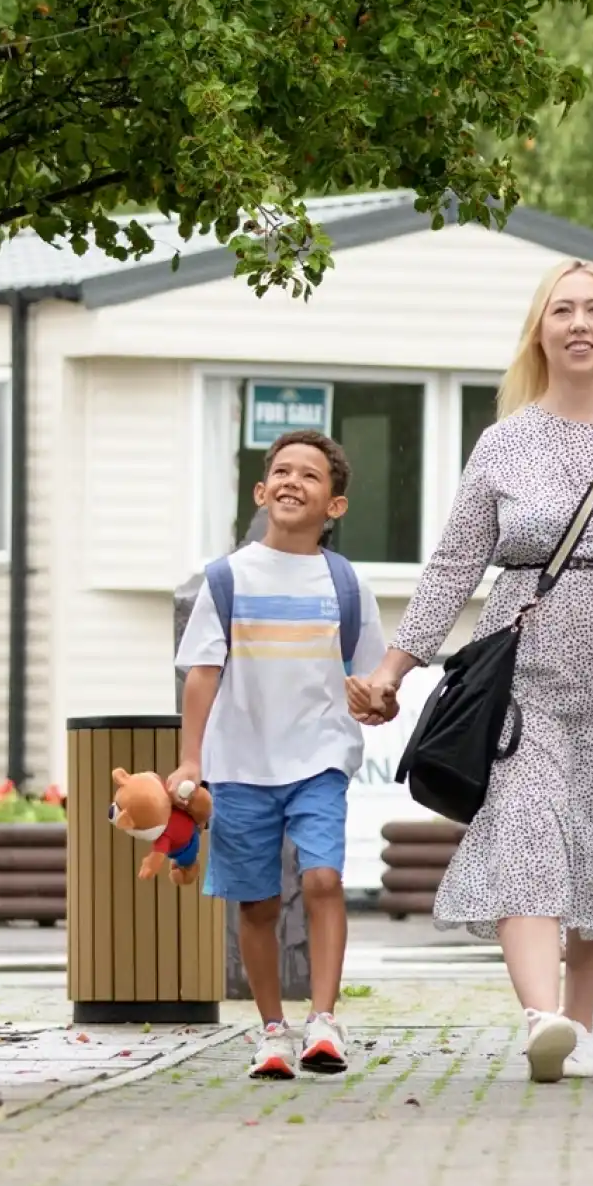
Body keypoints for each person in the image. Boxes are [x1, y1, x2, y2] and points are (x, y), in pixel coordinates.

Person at [351, 260, 593, 1083]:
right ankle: (539, 1016)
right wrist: (392, 668)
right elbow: (454, 565)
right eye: (562, 310)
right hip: (523, 669)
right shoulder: (504, 442)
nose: (580, 323)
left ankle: (579, 1026)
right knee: (525, 824)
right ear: (541, 332)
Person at [170, 430, 386, 1080]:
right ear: (262, 492)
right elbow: (202, 672)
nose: (294, 482)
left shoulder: (347, 585)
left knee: (321, 879)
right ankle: (271, 1030)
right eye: (282, 472)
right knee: (259, 903)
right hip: (239, 766)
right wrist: (189, 762)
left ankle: (323, 1019)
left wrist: (379, 703)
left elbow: (372, 682)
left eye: (311, 476)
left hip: (318, 757)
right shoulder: (226, 579)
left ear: (336, 506)